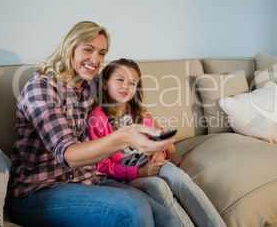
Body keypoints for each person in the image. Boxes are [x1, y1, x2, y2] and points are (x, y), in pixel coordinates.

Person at [8, 21, 180, 227]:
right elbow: (68, 154)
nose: (96, 59)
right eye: (88, 49)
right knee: (131, 208)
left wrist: (156, 141)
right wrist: (124, 136)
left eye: (102, 53)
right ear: (69, 48)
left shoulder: (89, 88)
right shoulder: (41, 89)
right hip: (40, 190)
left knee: (166, 218)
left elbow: (131, 104)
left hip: (89, 180)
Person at [87, 58, 227, 227]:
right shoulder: (97, 119)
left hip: (152, 162)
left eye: (132, 83)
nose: (126, 86)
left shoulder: (138, 112)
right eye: (119, 80)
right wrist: (139, 173)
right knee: (157, 186)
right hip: (129, 175)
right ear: (104, 84)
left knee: (178, 177)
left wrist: (161, 151)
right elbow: (102, 166)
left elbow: (158, 137)